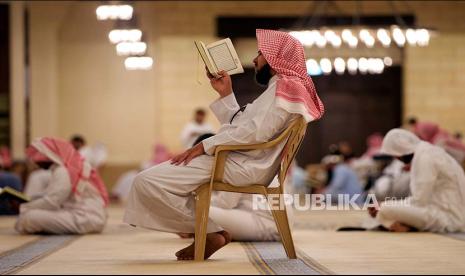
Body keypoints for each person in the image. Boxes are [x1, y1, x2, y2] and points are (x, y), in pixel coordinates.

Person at [123, 29, 324, 261]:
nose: (254, 60)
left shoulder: (283, 89)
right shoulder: (282, 89)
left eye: (260, 54)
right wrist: (226, 94)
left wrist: (206, 145)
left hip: (240, 163)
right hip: (242, 162)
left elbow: (255, 133)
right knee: (157, 186)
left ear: (274, 58)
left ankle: (211, 233)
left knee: (146, 182)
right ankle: (210, 232)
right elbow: (247, 126)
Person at [369, 129, 465, 233]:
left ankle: (407, 226)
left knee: (385, 210)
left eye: (395, 154)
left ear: (400, 149)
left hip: (448, 219)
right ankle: (405, 225)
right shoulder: (427, 151)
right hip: (445, 213)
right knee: (385, 209)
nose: (396, 158)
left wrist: (384, 205)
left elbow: (419, 201)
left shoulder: (424, 157)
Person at [15, 137, 109, 234]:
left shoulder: (62, 171)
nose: (36, 161)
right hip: (89, 217)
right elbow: (53, 196)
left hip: (83, 218)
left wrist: (23, 207)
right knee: (31, 214)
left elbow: (52, 202)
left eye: (38, 157)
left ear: (49, 155)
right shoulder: (67, 168)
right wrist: (29, 201)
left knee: (28, 218)